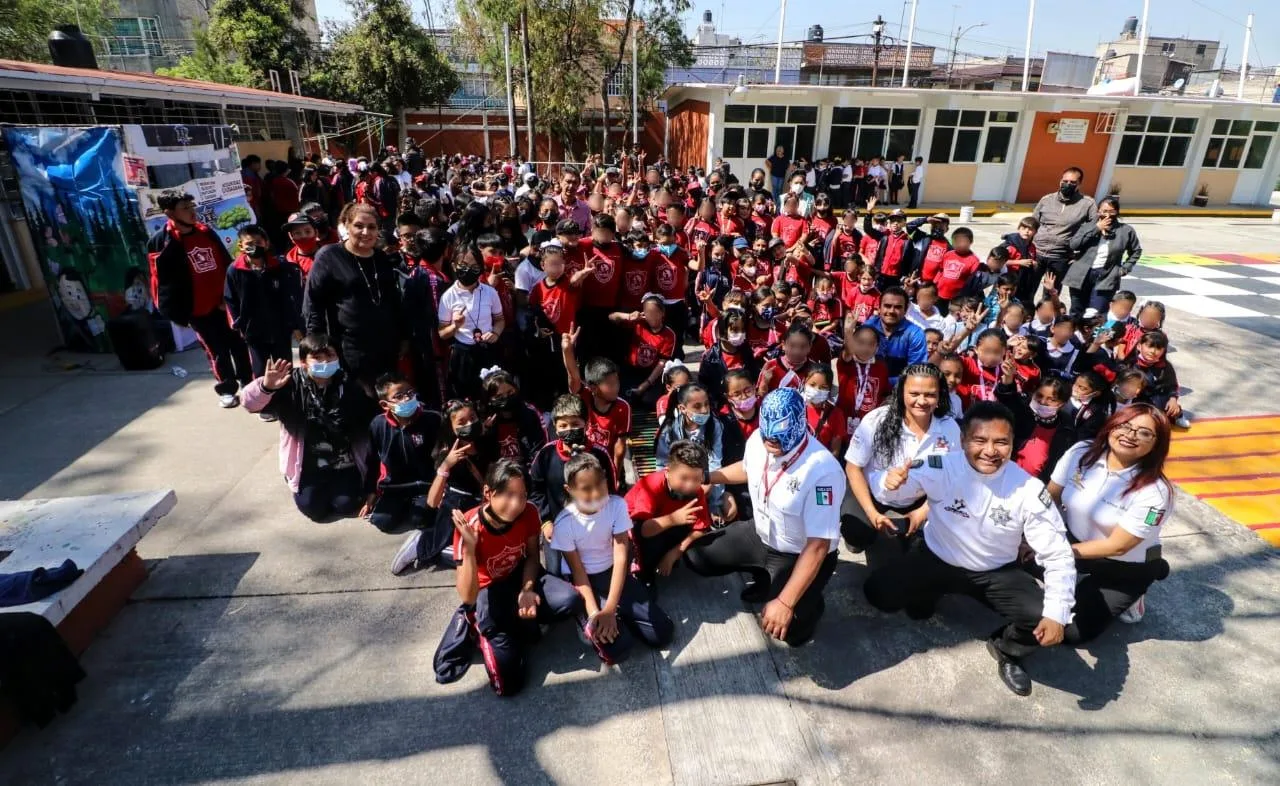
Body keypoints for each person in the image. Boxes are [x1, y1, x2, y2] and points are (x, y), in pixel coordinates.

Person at [863, 401, 1077, 696]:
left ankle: (1007, 649)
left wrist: (1056, 612)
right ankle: (928, 591)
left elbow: (1057, 553)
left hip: (995, 571)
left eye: (1001, 442)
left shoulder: (1029, 488)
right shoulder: (942, 464)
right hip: (936, 557)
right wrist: (888, 483)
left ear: (1013, 443)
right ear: (963, 440)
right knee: (879, 595)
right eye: (980, 440)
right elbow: (891, 484)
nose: (990, 451)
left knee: (1044, 619)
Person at [689, 388, 846, 646]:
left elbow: (818, 545)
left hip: (798, 552)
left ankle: (811, 601)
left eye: (777, 437)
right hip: (761, 534)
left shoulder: (823, 473)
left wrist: (785, 602)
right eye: (766, 434)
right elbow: (746, 468)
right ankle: (764, 577)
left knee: (792, 630)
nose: (769, 442)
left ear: (799, 424)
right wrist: (708, 477)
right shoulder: (759, 441)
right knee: (698, 557)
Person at [433, 460, 582, 696]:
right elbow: (468, 594)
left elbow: (533, 556)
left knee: (570, 599)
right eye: (509, 495)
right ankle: (483, 628)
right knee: (510, 686)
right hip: (488, 593)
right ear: (488, 493)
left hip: (519, 577)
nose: (516, 504)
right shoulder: (470, 526)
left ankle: (522, 624)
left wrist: (527, 589)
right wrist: (471, 549)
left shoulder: (530, 511)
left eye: (522, 495)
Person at [1046, 404, 1173, 633]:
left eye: (1144, 433)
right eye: (1125, 425)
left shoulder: (1156, 492)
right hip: (1076, 541)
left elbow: (1117, 547)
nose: (1129, 435)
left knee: (1071, 631)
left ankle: (1141, 586)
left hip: (1123, 565)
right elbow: (1050, 496)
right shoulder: (1081, 452)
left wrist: (1060, 554)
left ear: (1157, 443)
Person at [551, 453, 675, 664]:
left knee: (662, 634)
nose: (596, 493)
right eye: (586, 489)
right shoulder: (564, 524)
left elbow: (620, 557)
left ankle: (619, 611)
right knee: (617, 650)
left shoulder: (616, 505)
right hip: (586, 581)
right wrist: (595, 614)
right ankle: (585, 616)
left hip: (613, 572)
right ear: (569, 490)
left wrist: (609, 608)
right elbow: (578, 573)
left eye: (600, 484)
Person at [243, 336, 376, 521]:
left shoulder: (349, 384)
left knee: (346, 505)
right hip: (307, 464)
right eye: (318, 358)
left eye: (330, 356)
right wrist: (266, 387)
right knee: (314, 509)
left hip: (343, 461)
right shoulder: (288, 383)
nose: (325, 362)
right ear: (304, 362)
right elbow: (249, 403)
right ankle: (303, 485)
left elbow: (371, 417)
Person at [147, 190, 252, 408]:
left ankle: (248, 383)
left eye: (191, 206)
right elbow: (161, 281)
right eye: (185, 208)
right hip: (198, 310)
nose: (192, 212)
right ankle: (226, 389)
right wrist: (175, 311)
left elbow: (226, 264)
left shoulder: (206, 232)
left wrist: (231, 296)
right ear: (169, 213)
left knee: (239, 344)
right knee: (217, 351)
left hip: (224, 304)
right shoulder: (162, 243)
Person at [841, 363, 960, 551]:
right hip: (873, 493)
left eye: (930, 394)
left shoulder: (949, 427)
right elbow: (853, 467)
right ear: (901, 393)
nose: (921, 401)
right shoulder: (876, 420)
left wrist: (922, 513)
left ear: (940, 396)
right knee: (857, 531)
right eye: (914, 394)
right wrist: (872, 514)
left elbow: (952, 479)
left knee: (930, 542)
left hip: (920, 499)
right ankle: (865, 534)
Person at [303, 203, 406, 394]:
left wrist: (402, 337)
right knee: (358, 402)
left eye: (372, 227)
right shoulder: (329, 256)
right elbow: (313, 302)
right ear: (346, 225)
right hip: (349, 349)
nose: (365, 232)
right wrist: (316, 346)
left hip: (386, 346)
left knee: (384, 399)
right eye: (359, 226)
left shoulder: (382, 259)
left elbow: (393, 301)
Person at [223, 224, 304, 391]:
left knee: (284, 365)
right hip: (254, 331)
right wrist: (239, 324)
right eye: (249, 244)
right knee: (260, 369)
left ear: (266, 243)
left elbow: (290, 298)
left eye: (259, 242)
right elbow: (230, 300)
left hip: (280, 327)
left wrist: (295, 324)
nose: (255, 247)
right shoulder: (234, 270)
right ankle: (264, 402)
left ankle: (289, 398)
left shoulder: (279, 266)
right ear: (241, 246)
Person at [363, 373, 442, 538]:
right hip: (395, 487)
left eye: (409, 392)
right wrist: (370, 493)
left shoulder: (432, 419)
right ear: (385, 405)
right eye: (399, 396)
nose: (407, 398)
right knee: (382, 521)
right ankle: (400, 505)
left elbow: (441, 459)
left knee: (421, 519)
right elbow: (372, 460)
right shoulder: (378, 425)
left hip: (425, 485)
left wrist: (440, 489)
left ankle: (415, 507)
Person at [626, 439, 714, 586]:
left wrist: (675, 552)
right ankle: (644, 575)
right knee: (650, 544)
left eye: (696, 479)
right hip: (638, 530)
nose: (690, 485)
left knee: (703, 547)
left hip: (670, 525)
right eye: (684, 478)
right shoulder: (652, 487)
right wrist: (674, 519)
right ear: (667, 472)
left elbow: (701, 528)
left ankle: (669, 559)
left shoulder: (696, 492)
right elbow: (642, 531)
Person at [437, 243, 505, 402]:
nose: (468, 270)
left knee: (492, 393)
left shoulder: (490, 292)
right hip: (463, 354)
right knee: (465, 396)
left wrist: (495, 333)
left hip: (488, 349)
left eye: (475, 266)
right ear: (454, 266)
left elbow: (500, 319)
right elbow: (442, 333)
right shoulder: (448, 296)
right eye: (464, 265)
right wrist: (456, 326)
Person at [1062, 198, 1142, 320]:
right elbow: (1074, 245)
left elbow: (1136, 251)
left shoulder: (1126, 231)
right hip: (1081, 275)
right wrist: (1096, 228)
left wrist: (1125, 268)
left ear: (1117, 212)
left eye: (1112, 211)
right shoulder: (1087, 226)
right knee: (1077, 311)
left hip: (1107, 276)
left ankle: (1093, 337)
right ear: (1098, 211)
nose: (1107, 215)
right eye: (1104, 211)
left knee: (1096, 313)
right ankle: (1075, 337)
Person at [1030, 167, 1098, 300]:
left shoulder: (1087, 204)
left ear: (1079, 184)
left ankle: (1048, 320)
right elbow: (1033, 223)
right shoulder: (1046, 200)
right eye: (1065, 180)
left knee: (1050, 297)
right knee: (1027, 290)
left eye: (1072, 182)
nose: (1067, 184)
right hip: (1037, 253)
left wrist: (1080, 253)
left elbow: (1093, 229)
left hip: (1060, 257)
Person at [863, 287, 929, 386]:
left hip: (898, 390)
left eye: (898, 307)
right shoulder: (868, 327)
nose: (891, 311)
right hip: (867, 385)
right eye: (887, 306)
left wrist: (882, 383)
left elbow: (915, 372)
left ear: (906, 309)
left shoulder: (915, 334)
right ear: (879, 308)